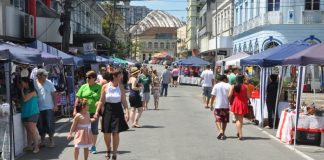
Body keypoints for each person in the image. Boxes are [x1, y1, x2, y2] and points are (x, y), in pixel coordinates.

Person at [94, 70, 129, 160]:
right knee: (106, 133)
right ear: (114, 76)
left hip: (118, 110)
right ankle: (108, 149)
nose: (122, 76)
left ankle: (114, 152)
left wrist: (127, 112)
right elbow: (101, 101)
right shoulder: (105, 86)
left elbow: (124, 101)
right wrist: (97, 112)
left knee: (116, 133)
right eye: (120, 75)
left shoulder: (121, 87)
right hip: (108, 110)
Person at [74, 71, 102, 154]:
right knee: (83, 129)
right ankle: (83, 144)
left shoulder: (99, 87)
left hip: (94, 112)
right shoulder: (83, 87)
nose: (87, 79)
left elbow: (101, 100)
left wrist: (98, 111)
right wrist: (75, 110)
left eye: (89, 77)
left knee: (94, 130)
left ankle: (93, 146)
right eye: (86, 77)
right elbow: (78, 99)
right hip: (83, 113)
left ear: (94, 78)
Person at [34, 69, 58, 148]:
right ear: (39, 76)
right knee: (40, 125)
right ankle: (43, 141)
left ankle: (51, 140)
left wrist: (55, 105)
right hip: (38, 108)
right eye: (44, 75)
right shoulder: (34, 84)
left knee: (49, 124)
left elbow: (54, 94)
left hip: (48, 107)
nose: (46, 76)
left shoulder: (49, 82)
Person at [19, 78, 40, 153]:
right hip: (25, 113)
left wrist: (21, 90)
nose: (21, 85)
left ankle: (36, 147)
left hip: (32, 113)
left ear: (26, 83)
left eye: (22, 83)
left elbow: (25, 99)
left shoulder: (33, 91)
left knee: (32, 131)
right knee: (28, 131)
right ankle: (29, 146)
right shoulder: (25, 91)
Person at [228, 75, 250, 140]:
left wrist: (229, 101)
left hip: (236, 103)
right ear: (242, 80)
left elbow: (229, 96)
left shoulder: (233, 86)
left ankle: (239, 134)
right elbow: (248, 96)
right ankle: (239, 133)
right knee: (241, 120)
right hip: (243, 103)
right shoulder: (245, 87)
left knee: (237, 119)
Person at [210, 75, 231, 140]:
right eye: (227, 79)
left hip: (218, 105)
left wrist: (211, 104)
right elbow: (230, 96)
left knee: (218, 119)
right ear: (225, 79)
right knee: (224, 120)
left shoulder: (216, 85)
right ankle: (223, 132)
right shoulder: (229, 86)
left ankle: (220, 131)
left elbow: (213, 96)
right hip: (226, 105)